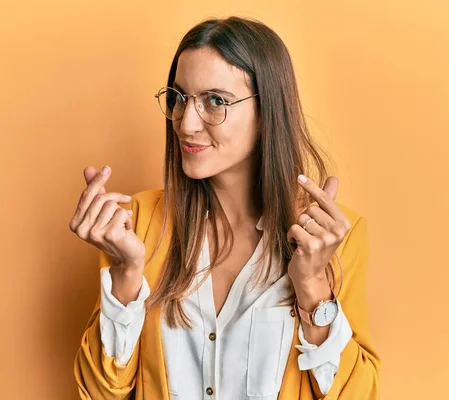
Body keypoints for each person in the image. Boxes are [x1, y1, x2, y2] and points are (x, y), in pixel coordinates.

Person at [71, 16, 380, 400]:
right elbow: (100, 394)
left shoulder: (331, 238)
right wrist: (125, 273)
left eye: (216, 100)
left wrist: (314, 286)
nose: (186, 123)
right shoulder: (135, 224)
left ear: (268, 113)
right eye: (179, 98)